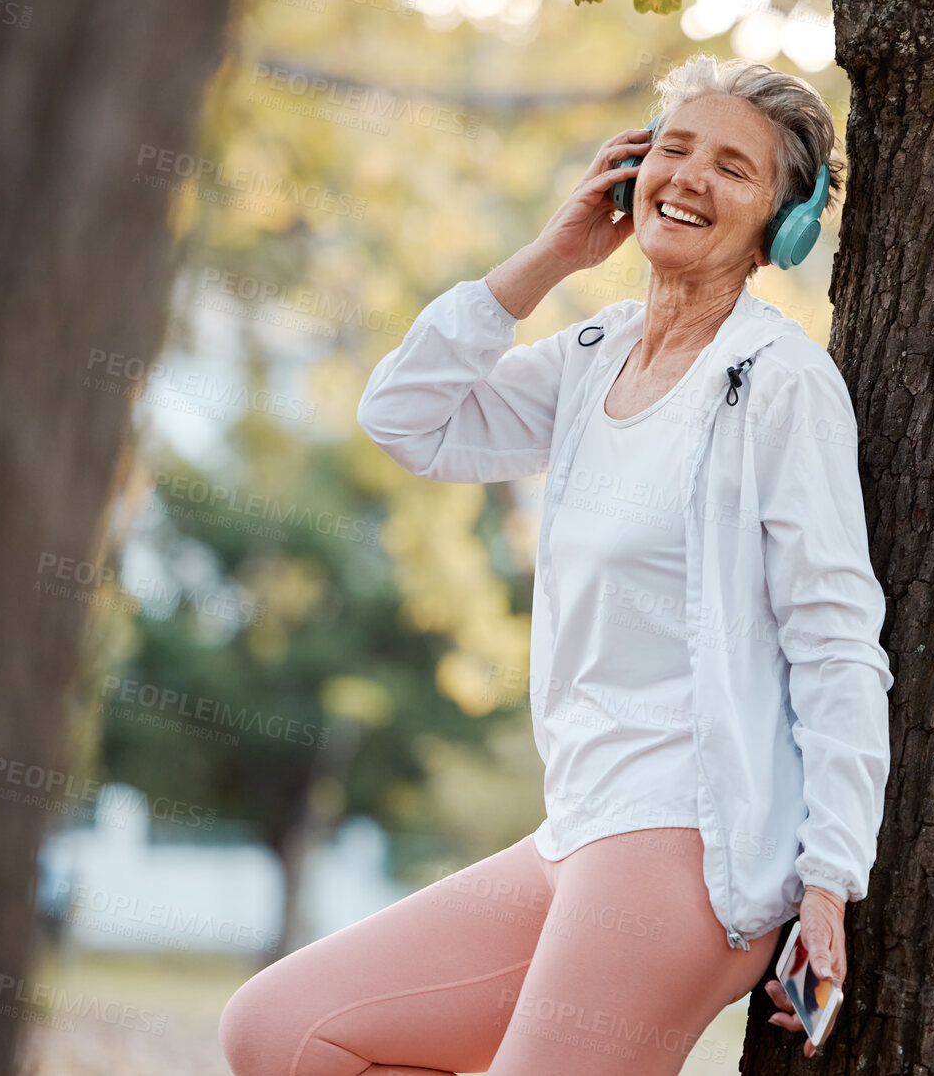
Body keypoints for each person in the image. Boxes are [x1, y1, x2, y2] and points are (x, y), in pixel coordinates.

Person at [219, 52, 893, 1076]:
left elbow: (837, 642)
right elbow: (406, 418)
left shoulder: (776, 383)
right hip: (580, 822)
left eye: (731, 166)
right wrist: (549, 254)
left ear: (782, 222)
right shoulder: (590, 356)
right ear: (626, 175)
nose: (688, 178)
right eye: (670, 150)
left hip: (693, 835)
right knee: (281, 1031)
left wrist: (828, 881)